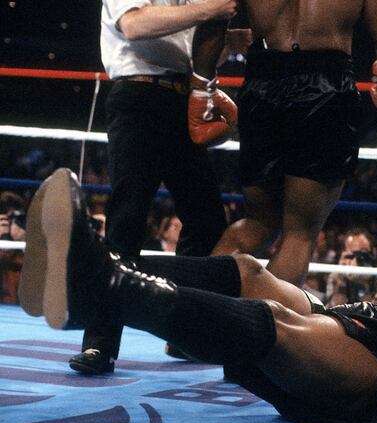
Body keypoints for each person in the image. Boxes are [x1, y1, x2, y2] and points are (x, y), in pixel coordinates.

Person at [20, 171, 377, 423]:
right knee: (252, 272)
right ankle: (97, 267)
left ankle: (105, 290)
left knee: (277, 321)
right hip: (370, 328)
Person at [68, 0, 246, 375]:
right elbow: (135, 25)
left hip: (186, 102)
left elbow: (186, 44)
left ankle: (183, 331)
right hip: (138, 98)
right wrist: (209, 11)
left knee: (207, 221)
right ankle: (100, 343)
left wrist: (230, 41)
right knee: (126, 221)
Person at [194, 0, 377, 290]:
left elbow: (213, 19)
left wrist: (201, 88)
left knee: (257, 222)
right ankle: (256, 327)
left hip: (261, 84)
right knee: (300, 233)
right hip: (326, 88)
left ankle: (195, 319)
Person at [324, 228, 377, 308]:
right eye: (353, 254)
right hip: (343, 319)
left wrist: (363, 282)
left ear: (374, 252)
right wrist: (342, 278)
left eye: (362, 253)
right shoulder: (336, 274)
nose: (358, 258)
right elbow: (332, 311)